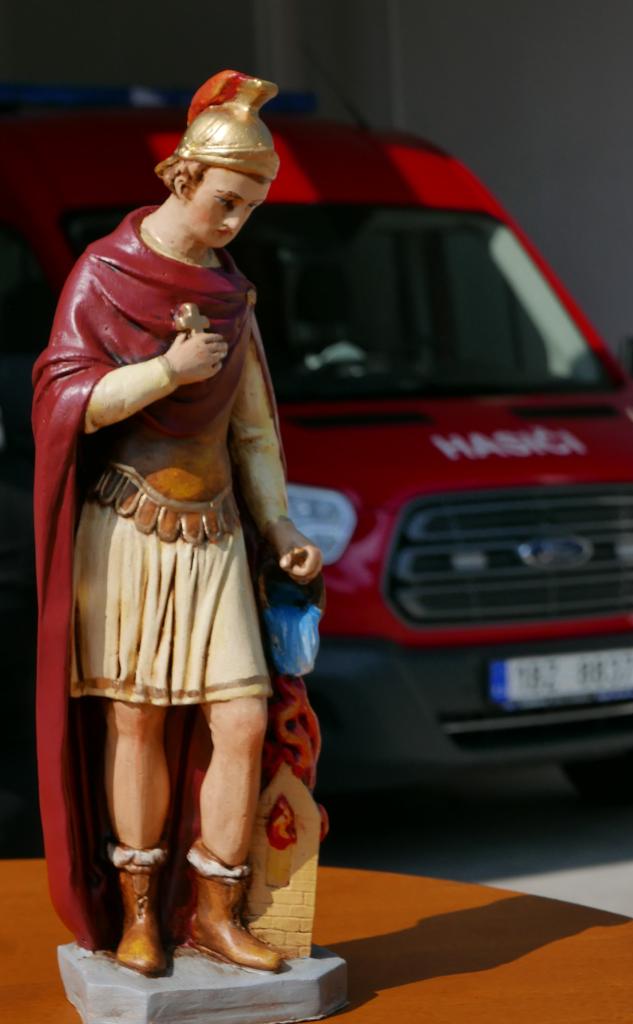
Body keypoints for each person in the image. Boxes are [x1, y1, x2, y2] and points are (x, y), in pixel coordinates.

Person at [32, 70, 322, 977]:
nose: (236, 222)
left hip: (217, 535)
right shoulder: (104, 273)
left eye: (251, 208)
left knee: (241, 719)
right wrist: (166, 371)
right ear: (183, 176)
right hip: (129, 528)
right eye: (226, 200)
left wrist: (279, 527)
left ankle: (217, 913)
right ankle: (138, 916)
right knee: (137, 722)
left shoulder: (233, 296)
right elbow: (62, 397)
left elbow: (252, 429)